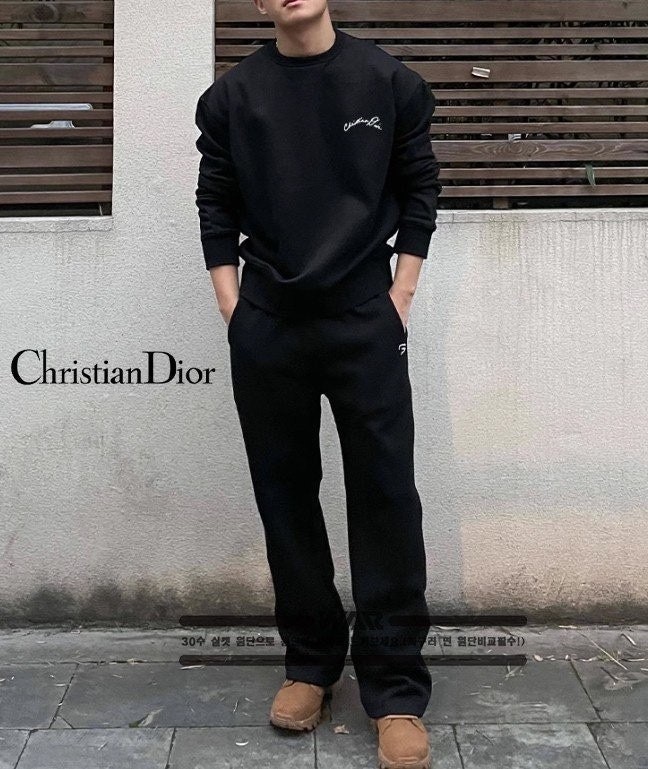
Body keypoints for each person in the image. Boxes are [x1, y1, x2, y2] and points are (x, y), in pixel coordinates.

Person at [194, 1, 442, 766]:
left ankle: (394, 690)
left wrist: (399, 297)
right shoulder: (233, 98)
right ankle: (311, 662)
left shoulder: (387, 83)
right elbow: (214, 204)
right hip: (269, 326)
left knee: (386, 495)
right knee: (285, 495)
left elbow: (421, 189)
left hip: (365, 319)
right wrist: (235, 309)